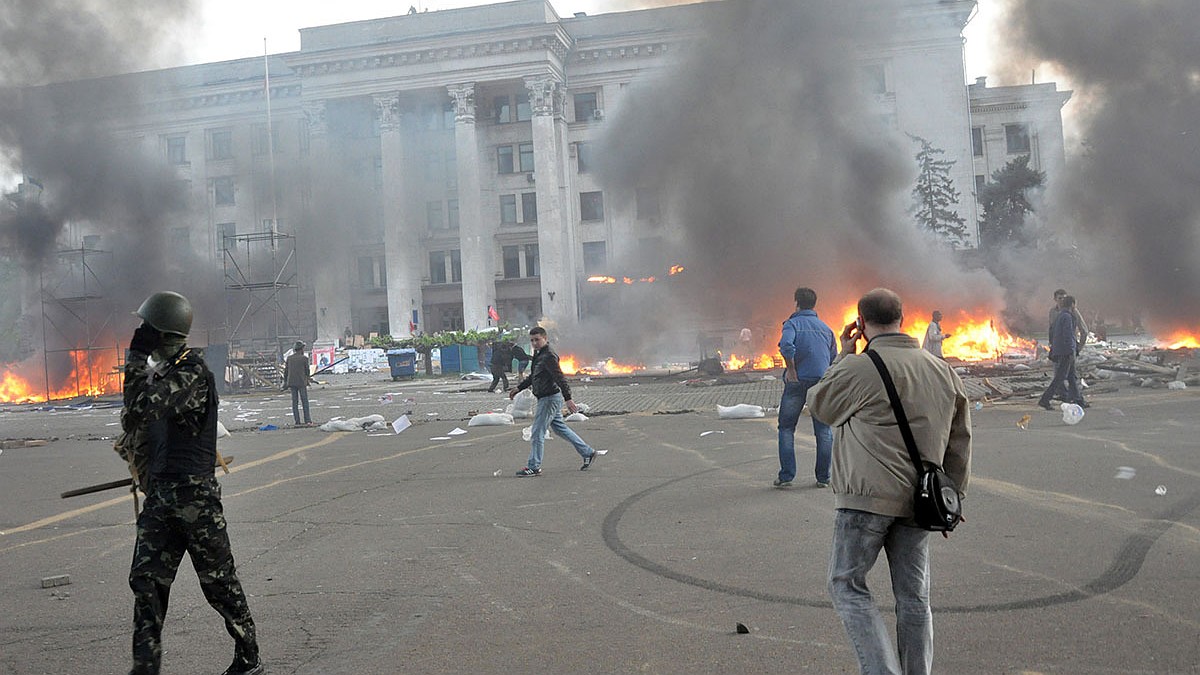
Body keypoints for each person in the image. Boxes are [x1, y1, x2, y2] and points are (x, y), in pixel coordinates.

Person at [808, 288, 972, 675]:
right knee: (914, 598)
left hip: (864, 501)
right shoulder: (940, 369)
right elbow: (960, 438)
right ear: (904, 318)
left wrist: (843, 355)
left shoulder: (857, 367)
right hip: (920, 501)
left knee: (846, 585)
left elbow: (819, 405)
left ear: (860, 324)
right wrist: (953, 498)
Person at [116, 291, 262, 675]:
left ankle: (248, 656)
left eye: (147, 330)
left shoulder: (191, 373)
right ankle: (145, 667)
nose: (141, 337)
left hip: (194, 499)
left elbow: (144, 406)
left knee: (218, 583)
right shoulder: (162, 373)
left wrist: (133, 359)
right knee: (145, 582)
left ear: (162, 334)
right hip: (162, 497)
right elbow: (134, 416)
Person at [509, 326, 605, 475]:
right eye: (532, 340)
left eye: (537, 340)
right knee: (560, 429)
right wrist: (519, 388)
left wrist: (568, 399)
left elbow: (560, 377)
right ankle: (588, 452)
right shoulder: (539, 355)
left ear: (545, 339)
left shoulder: (549, 356)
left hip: (549, 398)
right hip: (545, 397)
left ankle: (534, 466)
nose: (534, 343)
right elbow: (534, 376)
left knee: (537, 432)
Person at [774, 286, 837, 489]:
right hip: (820, 382)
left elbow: (786, 346)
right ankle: (823, 478)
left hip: (797, 381)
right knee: (824, 430)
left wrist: (791, 369)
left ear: (797, 303)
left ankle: (786, 477)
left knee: (786, 428)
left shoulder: (792, 324)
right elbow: (833, 357)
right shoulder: (826, 328)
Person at [1038, 295, 1088, 411]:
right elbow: (1068, 335)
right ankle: (1045, 400)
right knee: (1060, 377)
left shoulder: (1061, 316)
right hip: (1066, 352)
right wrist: (1072, 350)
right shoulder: (1067, 317)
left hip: (1062, 350)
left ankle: (1079, 400)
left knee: (1071, 376)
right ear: (1072, 305)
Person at [284, 340, 313, 425]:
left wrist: (285, 382)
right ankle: (307, 420)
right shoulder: (304, 358)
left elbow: (286, 371)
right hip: (301, 382)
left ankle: (297, 421)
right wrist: (308, 378)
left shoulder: (289, 358)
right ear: (301, 349)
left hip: (292, 382)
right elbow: (307, 371)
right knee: (304, 402)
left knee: (295, 402)